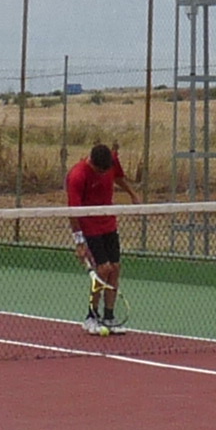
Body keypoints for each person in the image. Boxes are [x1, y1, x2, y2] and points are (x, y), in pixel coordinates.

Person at [63, 141, 136, 334]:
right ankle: (91, 317)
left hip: (108, 223)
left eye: (106, 171)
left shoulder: (111, 161)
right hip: (90, 227)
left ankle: (109, 317)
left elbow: (118, 177)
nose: (104, 174)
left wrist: (132, 194)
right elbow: (73, 212)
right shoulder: (77, 176)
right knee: (103, 270)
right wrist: (79, 242)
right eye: (100, 171)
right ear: (92, 163)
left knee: (115, 268)